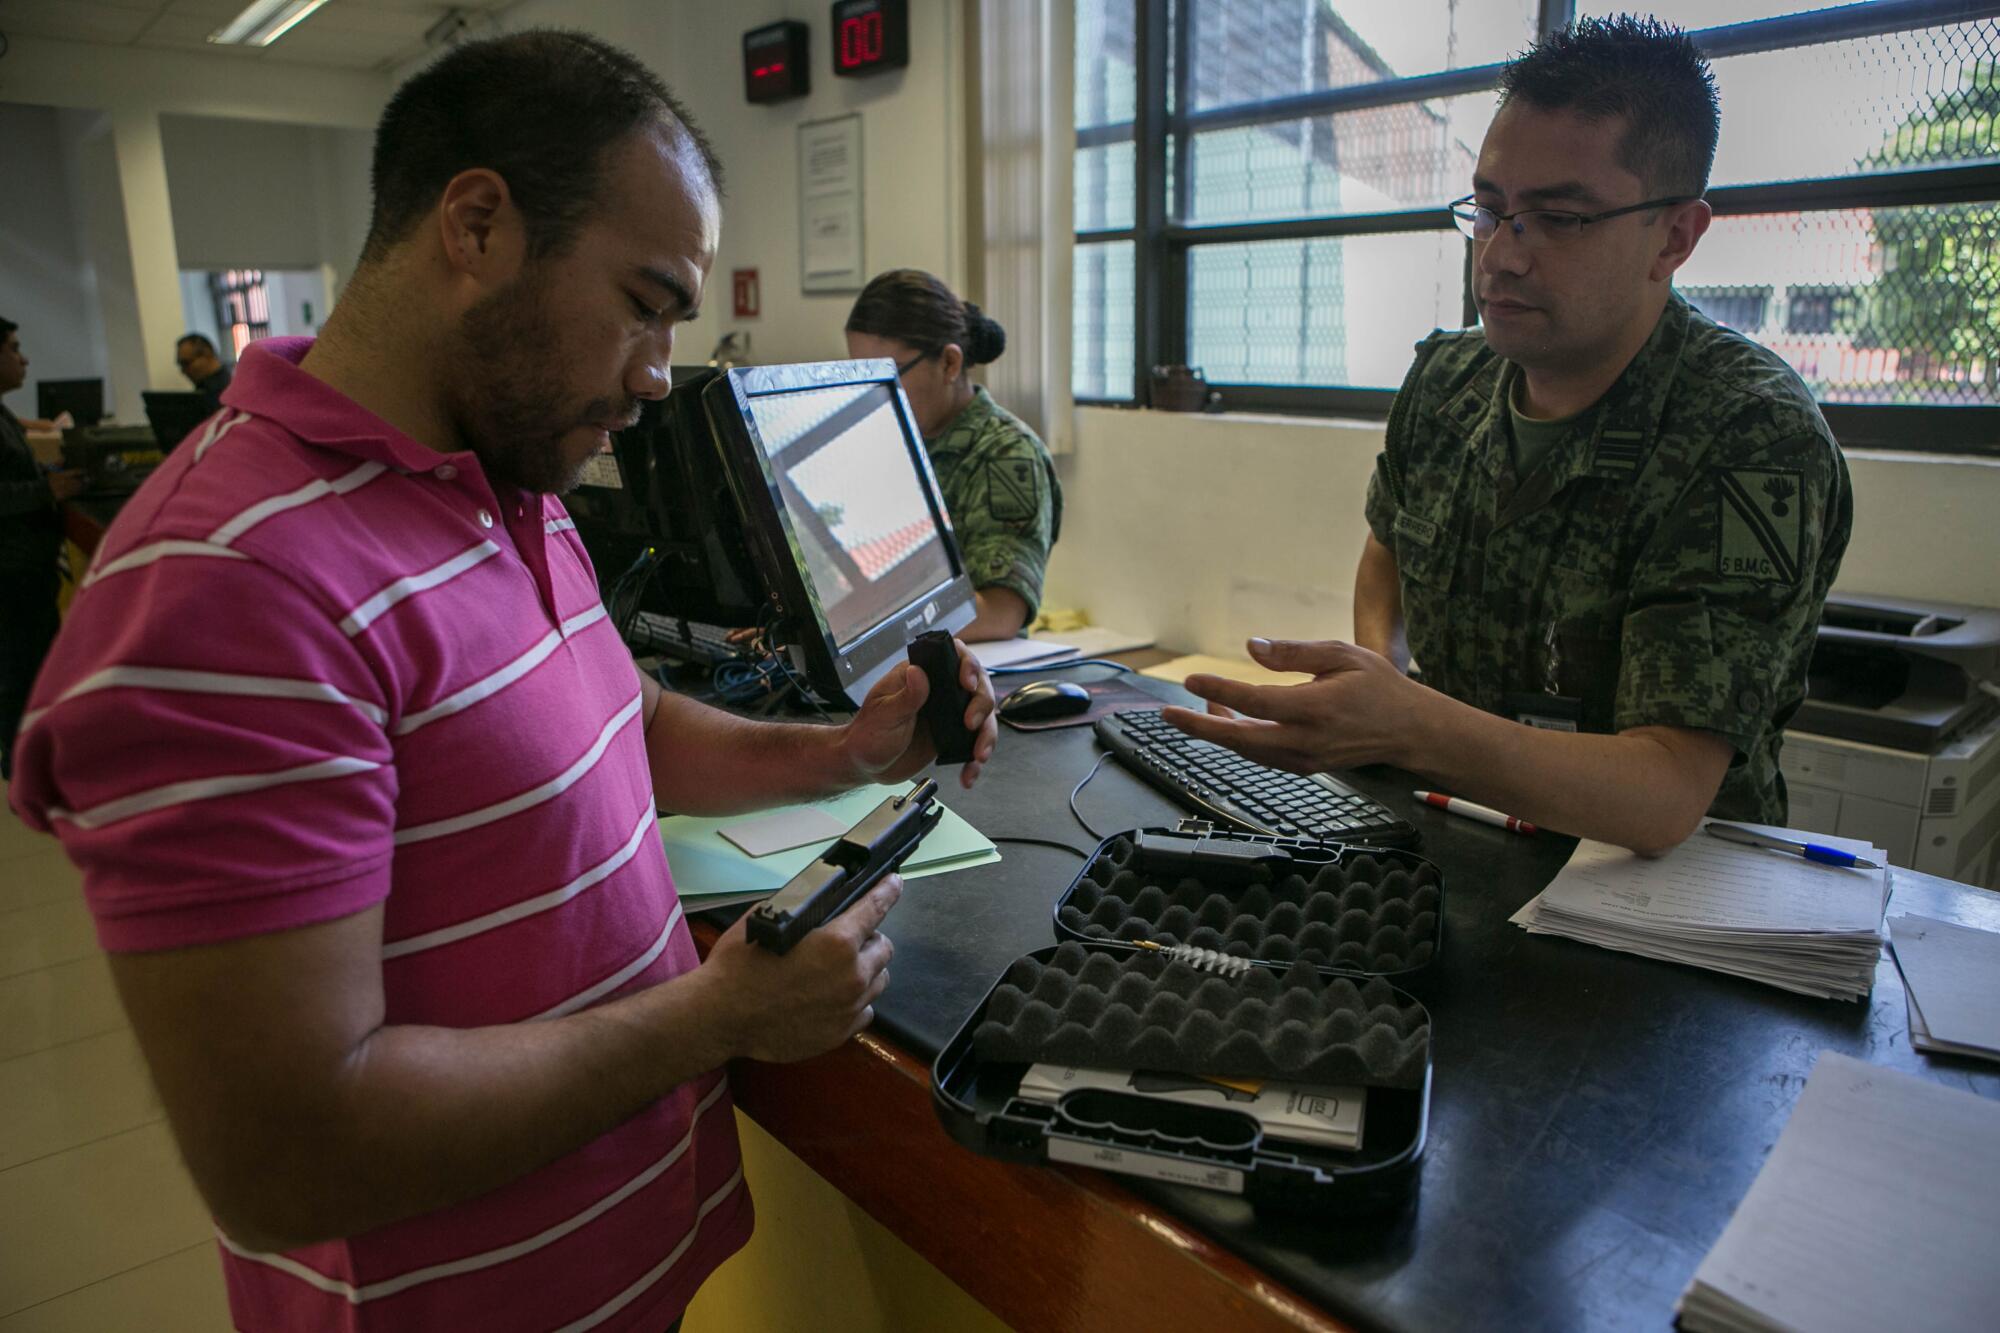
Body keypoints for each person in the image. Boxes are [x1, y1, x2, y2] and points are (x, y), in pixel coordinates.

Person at [9, 31, 997, 1333]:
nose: (657, 373)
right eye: (643, 304)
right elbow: (286, 1159)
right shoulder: (228, 585)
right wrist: (714, 1016)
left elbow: (623, 727)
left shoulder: (506, 482)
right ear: (475, 224)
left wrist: (849, 753)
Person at [1164, 16, 1851, 857]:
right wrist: (1374, 676)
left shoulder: (1749, 432)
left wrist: (1405, 726)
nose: (1500, 257)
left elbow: (1664, 794)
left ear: (1674, 237)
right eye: (1489, 210)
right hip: (1454, 847)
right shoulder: (1447, 382)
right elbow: (1388, 551)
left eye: (1557, 219)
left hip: (1654, 916)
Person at [845, 269, 1062, 641]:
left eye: (888, 375)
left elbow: (999, 612)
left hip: (972, 671)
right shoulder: (890, 440)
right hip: (890, 662)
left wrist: (859, 630)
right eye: (861, 376)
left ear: (949, 363)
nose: (873, 394)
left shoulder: (1005, 453)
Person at [0, 317, 85, 780]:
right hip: (10, 567)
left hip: (26, 564)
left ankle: (32, 761)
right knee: (19, 671)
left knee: (33, 664)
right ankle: (21, 770)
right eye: (13, 348)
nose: (24, 358)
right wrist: (46, 493)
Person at [176, 332, 233, 408]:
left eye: (186, 363)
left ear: (207, 354)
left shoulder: (221, 391)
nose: (183, 371)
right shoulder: (209, 387)